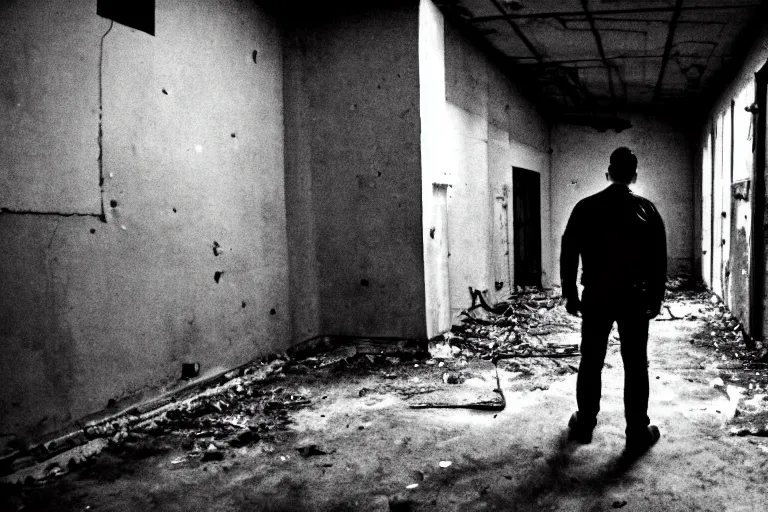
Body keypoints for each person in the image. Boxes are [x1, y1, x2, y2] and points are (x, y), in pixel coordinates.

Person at [560, 147, 667, 456]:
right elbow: (659, 259)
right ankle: (636, 432)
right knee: (635, 365)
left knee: (591, 359)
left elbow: (569, 250)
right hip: (633, 297)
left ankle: (585, 424)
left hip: (597, 294)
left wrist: (570, 292)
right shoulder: (647, 210)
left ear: (608, 173)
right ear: (634, 176)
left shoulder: (586, 207)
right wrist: (656, 296)